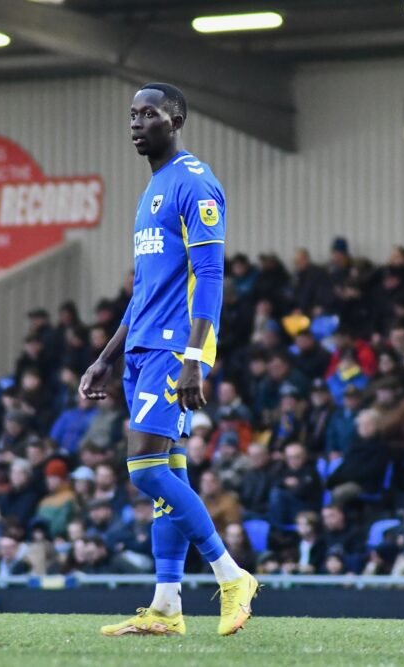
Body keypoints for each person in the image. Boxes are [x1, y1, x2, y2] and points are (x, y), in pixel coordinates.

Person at [78, 83, 256, 638]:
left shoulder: (195, 183)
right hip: (141, 349)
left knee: (146, 469)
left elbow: (210, 276)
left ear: (175, 119)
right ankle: (166, 606)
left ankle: (231, 576)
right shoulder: (153, 188)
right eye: (131, 115)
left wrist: (195, 358)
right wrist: (105, 357)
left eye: (148, 113)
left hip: (172, 349)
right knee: (169, 471)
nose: (136, 123)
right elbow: (144, 292)